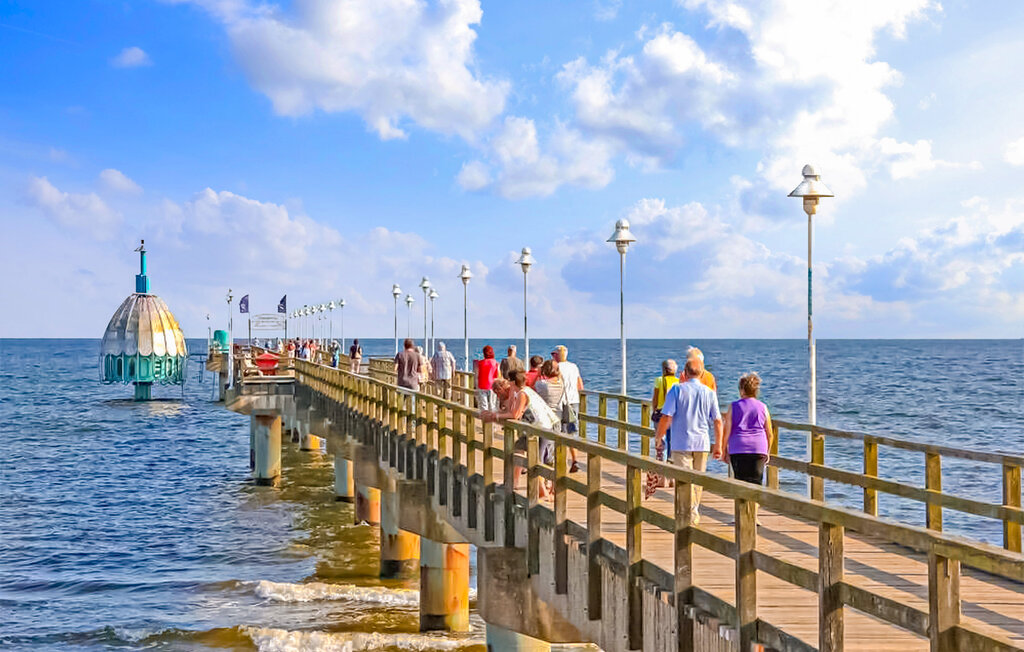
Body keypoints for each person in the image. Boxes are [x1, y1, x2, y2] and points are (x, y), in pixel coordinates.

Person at [654, 358, 722, 525]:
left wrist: (659, 437)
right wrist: (718, 445)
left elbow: (666, 417)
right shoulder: (709, 393)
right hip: (702, 443)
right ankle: (693, 511)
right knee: (697, 481)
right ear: (701, 373)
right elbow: (718, 421)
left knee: (684, 480)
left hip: (681, 442)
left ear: (684, 373)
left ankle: (688, 514)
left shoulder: (676, 390)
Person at [482, 371, 559, 496]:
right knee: (519, 449)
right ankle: (514, 482)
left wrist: (494, 416)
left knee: (537, 461)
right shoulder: (521, 392)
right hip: (534, 428)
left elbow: (515, 415)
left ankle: (544, 491)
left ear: (513, 382)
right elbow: (511, 411)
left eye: (509, 381)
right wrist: (494, 415)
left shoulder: (523, 393)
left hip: (542, 428)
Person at [720, 372, 773, 486]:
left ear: (742, 390)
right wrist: (768, 451)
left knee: (740, 484)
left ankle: (743, 503)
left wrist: (723, 449)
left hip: (738, 448)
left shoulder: (734, 406)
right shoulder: (763, 407)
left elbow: (727, 430)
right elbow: (769, 433)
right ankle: (755, 504)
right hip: (758, 449)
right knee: (756, 484)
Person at [645, 359, 678, 497]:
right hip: (674, 415)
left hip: (661, 414)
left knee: (660, 444)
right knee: (673, 445)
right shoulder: (678, 382)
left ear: (663, 369)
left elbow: (655, 397)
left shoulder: (659, 380)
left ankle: (662, 478)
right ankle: (672, 479)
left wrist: (654, 410)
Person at [552, 345, 583, 473]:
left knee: (559, 431)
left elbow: (554, 383)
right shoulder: (574, 366)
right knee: (571, 431)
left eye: (553, 354)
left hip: (561, 402)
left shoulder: (557, 367)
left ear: (557, 355)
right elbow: (580, 385)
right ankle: (575, 459)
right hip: (574, 401)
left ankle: (561, 461)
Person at [475, 345, 499, 410]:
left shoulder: (480, 363)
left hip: (482, 385)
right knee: (492, 405)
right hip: (492, 386)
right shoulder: (495, 363)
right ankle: (492, 419)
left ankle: (485, 419)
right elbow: (497, 375)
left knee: (484, 405)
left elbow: (477, 375)